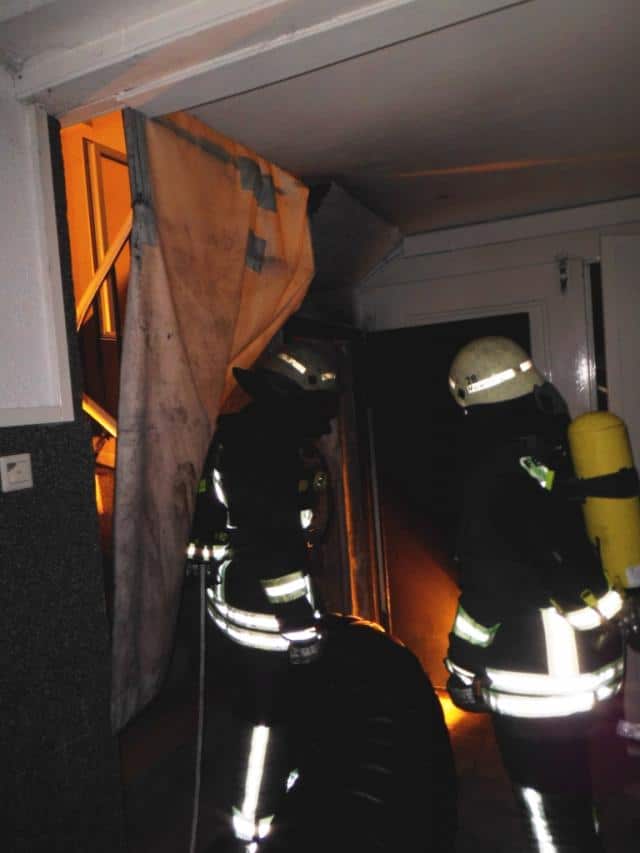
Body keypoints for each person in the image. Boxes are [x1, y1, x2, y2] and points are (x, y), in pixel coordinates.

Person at [445, 336, 624, 852]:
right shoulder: (552, 455)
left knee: (547, 813)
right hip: (594, 676)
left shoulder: (491, 479)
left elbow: (487, 593)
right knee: (577, 798)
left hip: (537, 691)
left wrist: (460, 666)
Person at [188, 339, 340, 852]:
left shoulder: (245, 434)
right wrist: (299, 625)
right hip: (264, 614)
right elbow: (274, 545)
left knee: (268, 718)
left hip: (242, 599)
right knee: (266, 725)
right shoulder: (266, 445)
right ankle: (251, 833)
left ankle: (276, 809)